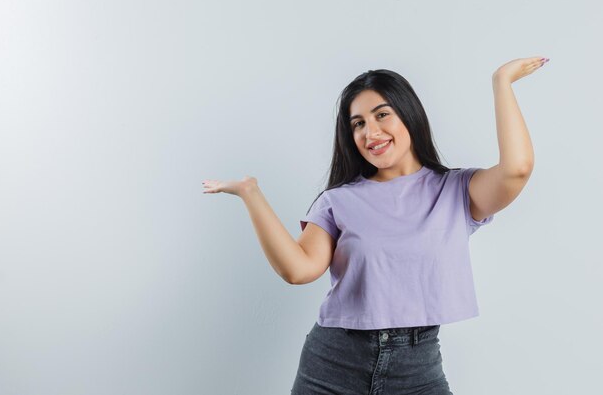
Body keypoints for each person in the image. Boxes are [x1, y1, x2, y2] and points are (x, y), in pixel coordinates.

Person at [202, 56, 547, 394]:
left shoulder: (456, 190)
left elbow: (517, 168)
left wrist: (501, 82)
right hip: (332, 364)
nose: (371, 132)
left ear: (409, 116)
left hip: (418, 373)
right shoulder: (338, 200)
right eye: (358, 124)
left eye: (382, 115)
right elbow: (299, 269)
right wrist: (251, 194)